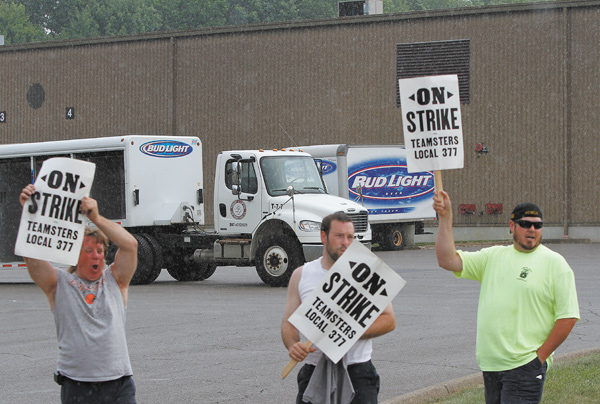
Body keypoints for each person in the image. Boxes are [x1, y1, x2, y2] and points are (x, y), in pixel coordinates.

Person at [433, 190, 579, 404]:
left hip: (525, 365)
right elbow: (447, 260)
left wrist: (539, 358)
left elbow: (568, 317)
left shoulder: (555, 264)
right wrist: (446, 218)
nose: (532, 229)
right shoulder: (492, 257)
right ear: (512, 226)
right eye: (525, 224)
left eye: (537, 225)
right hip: (492, 366)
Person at [19, 184, 139, 404]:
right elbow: (30, 255)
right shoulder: (59, 284)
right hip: (77, 384)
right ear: (75, 255)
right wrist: (29, 212)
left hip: (119, 383)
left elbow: (130, 245)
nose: (96, 256)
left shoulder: (116, 280)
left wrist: (96, 217)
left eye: (100, 251)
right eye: (88, 250)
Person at [281, 211, 396, 404]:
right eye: (339, 236)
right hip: (313, 370)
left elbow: (389, 320)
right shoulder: (302, 274)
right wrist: (293, 345)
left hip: (357, 370)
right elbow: (288, 324)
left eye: (350, 237)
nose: (346, 242)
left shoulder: (367, 273)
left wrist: (347, 332)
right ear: (323, 236)